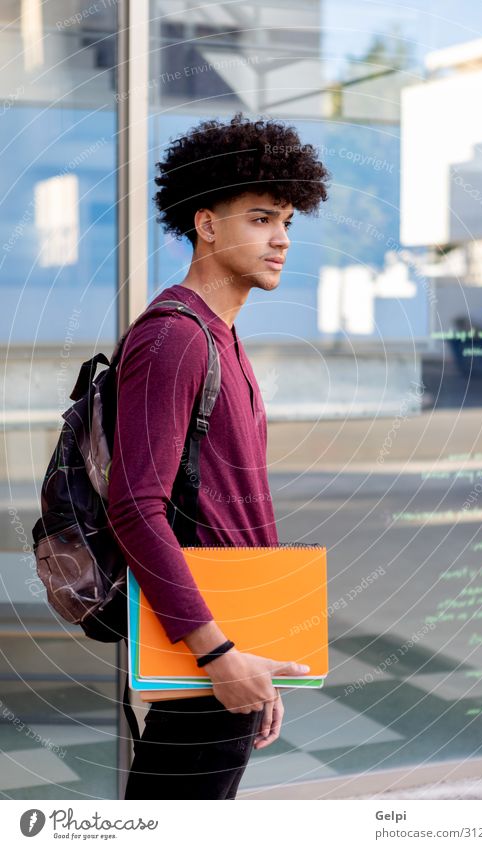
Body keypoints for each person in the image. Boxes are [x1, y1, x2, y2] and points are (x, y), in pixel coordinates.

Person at [107, 112, 329, 799]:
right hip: (205, 647)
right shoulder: (173, 338)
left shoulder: (221, 337)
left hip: (233, 643)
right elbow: (133, 506)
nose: (282, 239)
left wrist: (254, 651)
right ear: (206, 224)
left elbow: (226, 505)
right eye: (261, 218)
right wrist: (219, 652)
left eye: (287, 220)